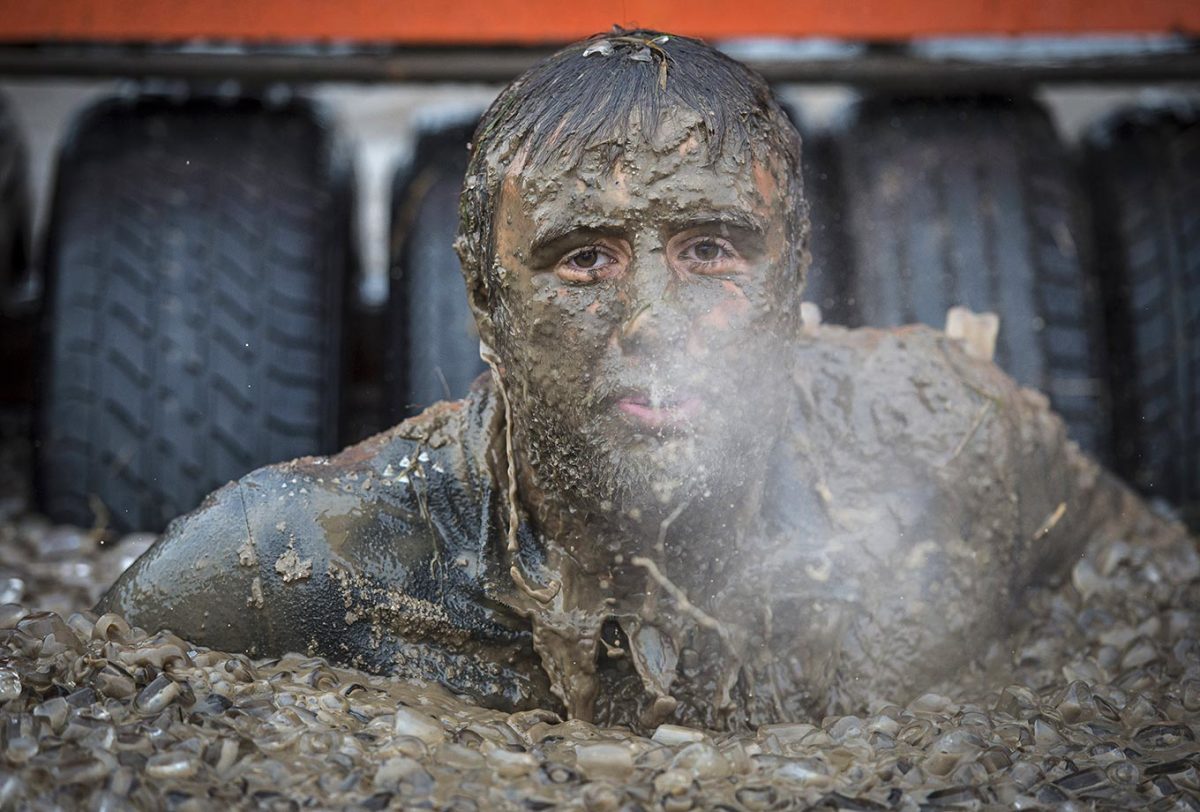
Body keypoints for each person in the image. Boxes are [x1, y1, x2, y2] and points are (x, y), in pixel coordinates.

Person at [98, 31, 1146, 731]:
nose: (654, 321)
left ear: (795, 277)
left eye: (711, 249)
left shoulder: (952, 438)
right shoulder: (292, 569)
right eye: (583, 257)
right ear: (484, 300)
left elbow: (1155, 608)